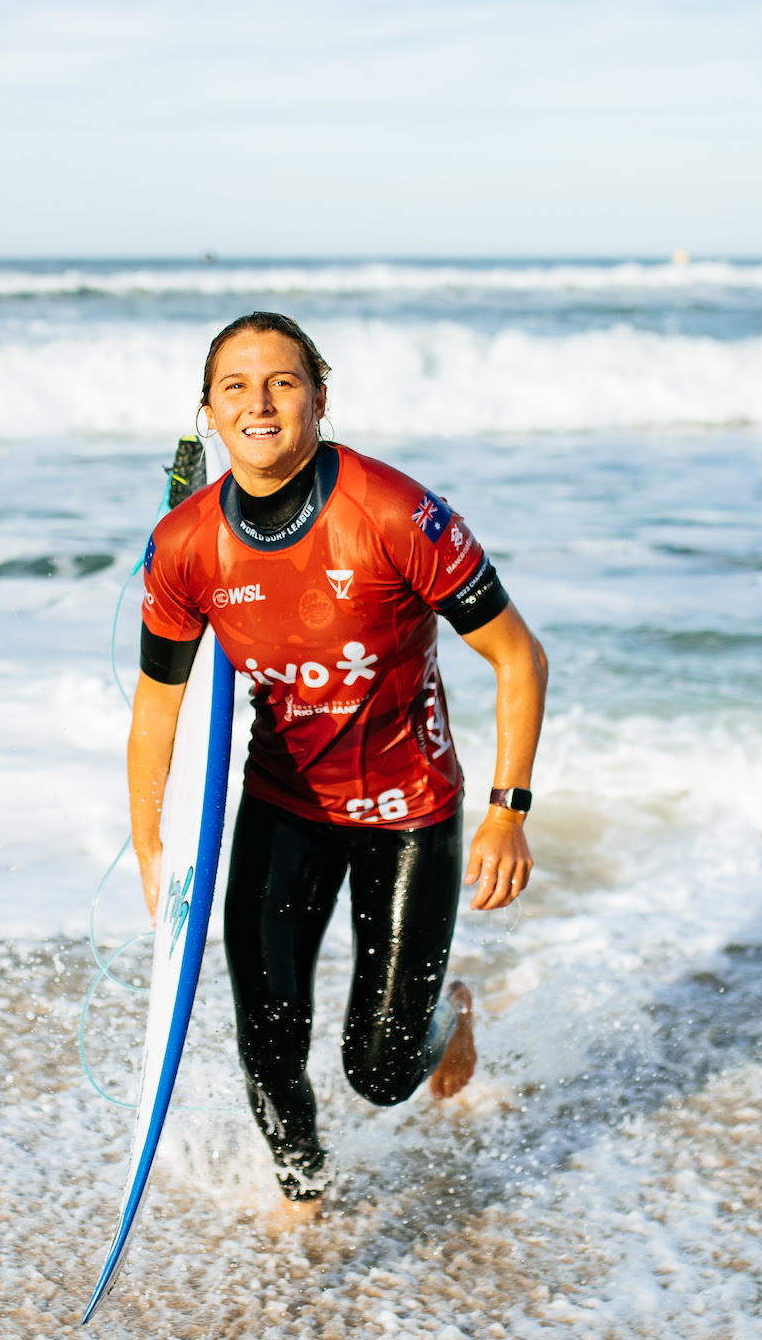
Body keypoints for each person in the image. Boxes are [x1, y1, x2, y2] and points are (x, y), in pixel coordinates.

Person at [131, 312, 548, 1231]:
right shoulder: (189, 545)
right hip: (285, 806)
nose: (260, 402)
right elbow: (158, 704)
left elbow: (518, 657)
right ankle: (303, 1191)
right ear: (207, 411)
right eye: (235, 386)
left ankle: (450, 1012)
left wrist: (507, 811)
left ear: (319, 395)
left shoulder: (395, 513)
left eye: (281, 381)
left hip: (410, 811)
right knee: (267, 1036)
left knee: (384, 1070)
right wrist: (150, 844)